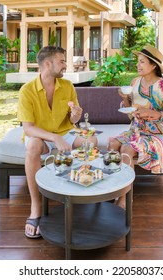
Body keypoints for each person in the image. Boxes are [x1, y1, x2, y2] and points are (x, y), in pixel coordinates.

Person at [17, 46, 98, 238]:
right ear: (47, 64)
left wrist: (75, 116)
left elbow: (72, 121)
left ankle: (81, 190)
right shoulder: (27, 91)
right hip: (41, 136)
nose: (65, 65)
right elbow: (28, 128)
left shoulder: (68, 86)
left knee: (92, 141)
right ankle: (35, 207)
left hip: (64, 132)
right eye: (61, 61)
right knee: (33, 145)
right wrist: (54, 138)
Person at [108, 45, 163, 208]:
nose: (138, 65)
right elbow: (130, 112)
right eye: (137, 62)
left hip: (156, 134)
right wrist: (126, 98)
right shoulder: (135, 82)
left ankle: (125, 198)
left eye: (142, 62)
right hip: (136, 130)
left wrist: (153, 113)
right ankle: (114, 188)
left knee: (126, 149)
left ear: (153, 65)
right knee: (112, 145)